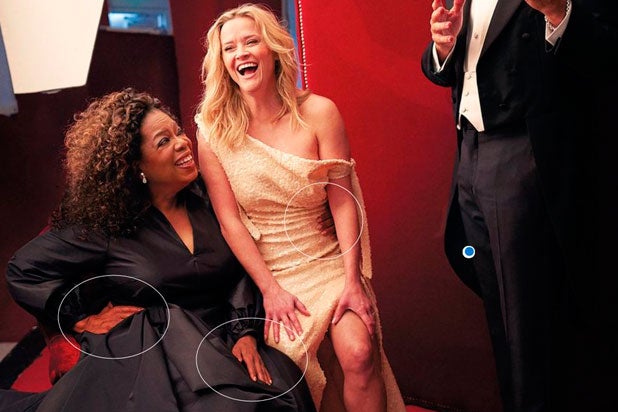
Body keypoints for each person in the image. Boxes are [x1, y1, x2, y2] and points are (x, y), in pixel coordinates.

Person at [2, 88, 316, 412]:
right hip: (156, 351)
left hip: (223, 337)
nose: (182, 142)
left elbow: (239, 268)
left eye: (179, 132)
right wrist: (80, 318)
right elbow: (23, 269)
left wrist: (244, 332)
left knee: (284, 391)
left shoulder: (207, 197)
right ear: (137, 166)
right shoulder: (109, 224)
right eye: (164, 141)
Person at [194, 4, 406, 412]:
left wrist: (353, 280)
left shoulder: (320, 112)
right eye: (230, 48)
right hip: (270, 272)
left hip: (328, 259)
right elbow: (229, 221)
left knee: (359, 352)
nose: (241, 53)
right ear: (222, 62)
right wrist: (270, 291)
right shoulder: (212, 129)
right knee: (299, 377)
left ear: (273, 49)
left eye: (251, 42)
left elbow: (343, 199)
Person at [421, 1, 618, 411]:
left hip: (522, 153)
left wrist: (558, 12)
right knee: (501, 316)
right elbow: (452, 68)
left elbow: (604, 52)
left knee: (528, 323)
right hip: (469, 152)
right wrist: (444, 45)